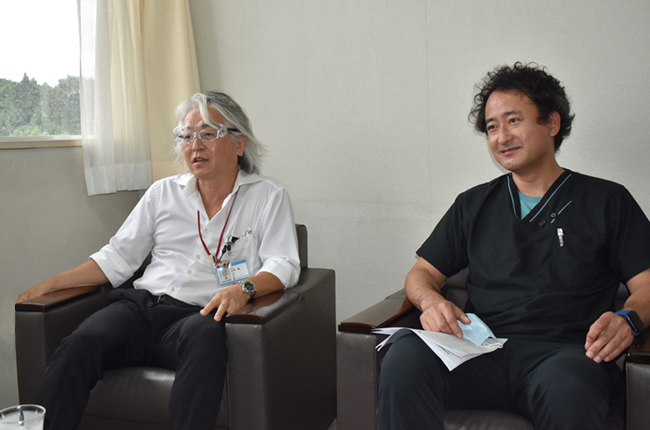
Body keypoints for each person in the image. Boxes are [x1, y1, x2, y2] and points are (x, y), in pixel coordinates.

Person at [377, 62, 650, 430]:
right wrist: (431, 301)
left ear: (551, 123)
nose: (501, 136)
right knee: (405, 357)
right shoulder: (473, 204)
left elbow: (647, 284)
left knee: (569, 390)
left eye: (513, 121)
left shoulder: (607, 201)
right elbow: (422, 272)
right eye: (492, 127)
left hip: (564, 356)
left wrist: (629, 319)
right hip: (480, 350)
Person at [16, 91, 301, 430]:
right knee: (81, 343)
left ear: (239, 144)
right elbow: (118, 257)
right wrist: (53, 283)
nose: (195, 145)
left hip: (199, 315)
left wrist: (244, 289)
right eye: (186, 136)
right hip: (140, 309)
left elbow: (284, 263)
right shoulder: (162, 193)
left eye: (208, 133)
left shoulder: (267, 196)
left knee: (205, 337)